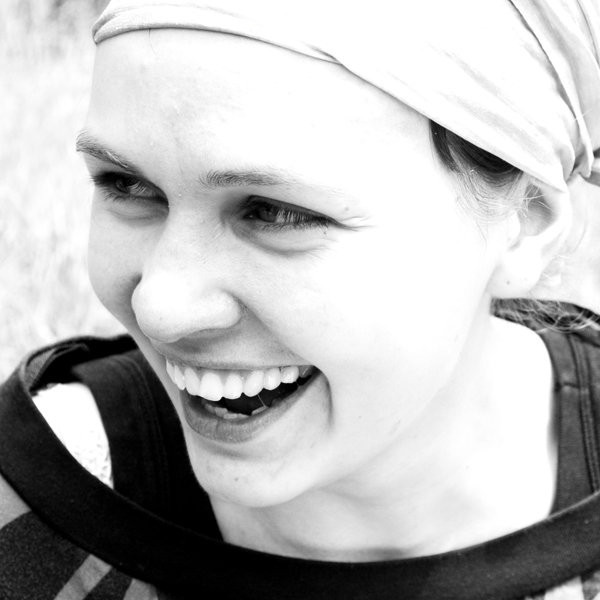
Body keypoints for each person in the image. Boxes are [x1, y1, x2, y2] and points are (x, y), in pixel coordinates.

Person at [1, 0, 600, 598]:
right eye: (127, 185)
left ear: (526, 223)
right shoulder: (27, 520)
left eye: (276, 213)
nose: (161, 308)